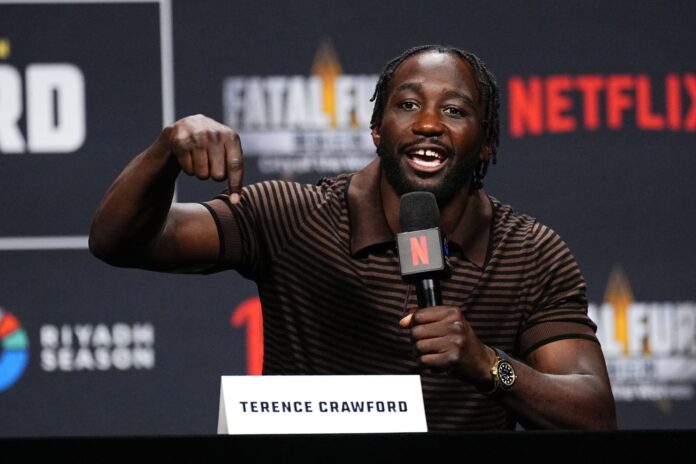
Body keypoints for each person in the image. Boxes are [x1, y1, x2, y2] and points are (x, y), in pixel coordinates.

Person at [89, 44, 617, 430]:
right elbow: (119, 241)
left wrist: (488, 365)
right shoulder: (294, 216)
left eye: (454, 110)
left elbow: (594, 415)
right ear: (376, 130)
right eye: (407, 105)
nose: (428, 123)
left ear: (487, 143)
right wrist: (164, 153)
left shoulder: (531, 252)